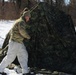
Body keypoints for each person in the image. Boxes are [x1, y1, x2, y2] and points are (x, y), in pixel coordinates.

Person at [0, 8, 31, 75]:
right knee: (10, 58)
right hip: (15, 42)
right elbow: (22, 31)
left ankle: (25, 72)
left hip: (19, 42)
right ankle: (0, 70)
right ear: (26, 16)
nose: (29, 19)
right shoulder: (21, 22)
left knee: (23, 55)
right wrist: (28, 37)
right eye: (29, 17)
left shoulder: (20, 21)